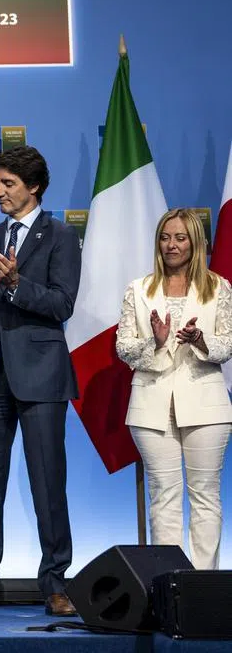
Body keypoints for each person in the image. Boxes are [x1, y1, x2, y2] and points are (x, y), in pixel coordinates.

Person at [0, 146, 80, 618]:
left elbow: (61, 304)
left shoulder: (61, 236)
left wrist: (13, 284)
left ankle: (55, 584)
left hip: (43, 378)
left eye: (8, 183)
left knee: (49, 485)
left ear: (34, 187)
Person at [116, 208, 232, 570]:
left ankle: (203, 587)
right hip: (151, 405)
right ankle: (171, 587)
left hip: (206, 402)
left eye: (180, 237)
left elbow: (227, 346)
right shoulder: (139, 289)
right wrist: (156, 340)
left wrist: (200, 339)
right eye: (165, 237)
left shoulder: (219, 287)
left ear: (195, 242)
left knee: (205, 497)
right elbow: (124, 349)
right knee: (163, 496)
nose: (171, 244)